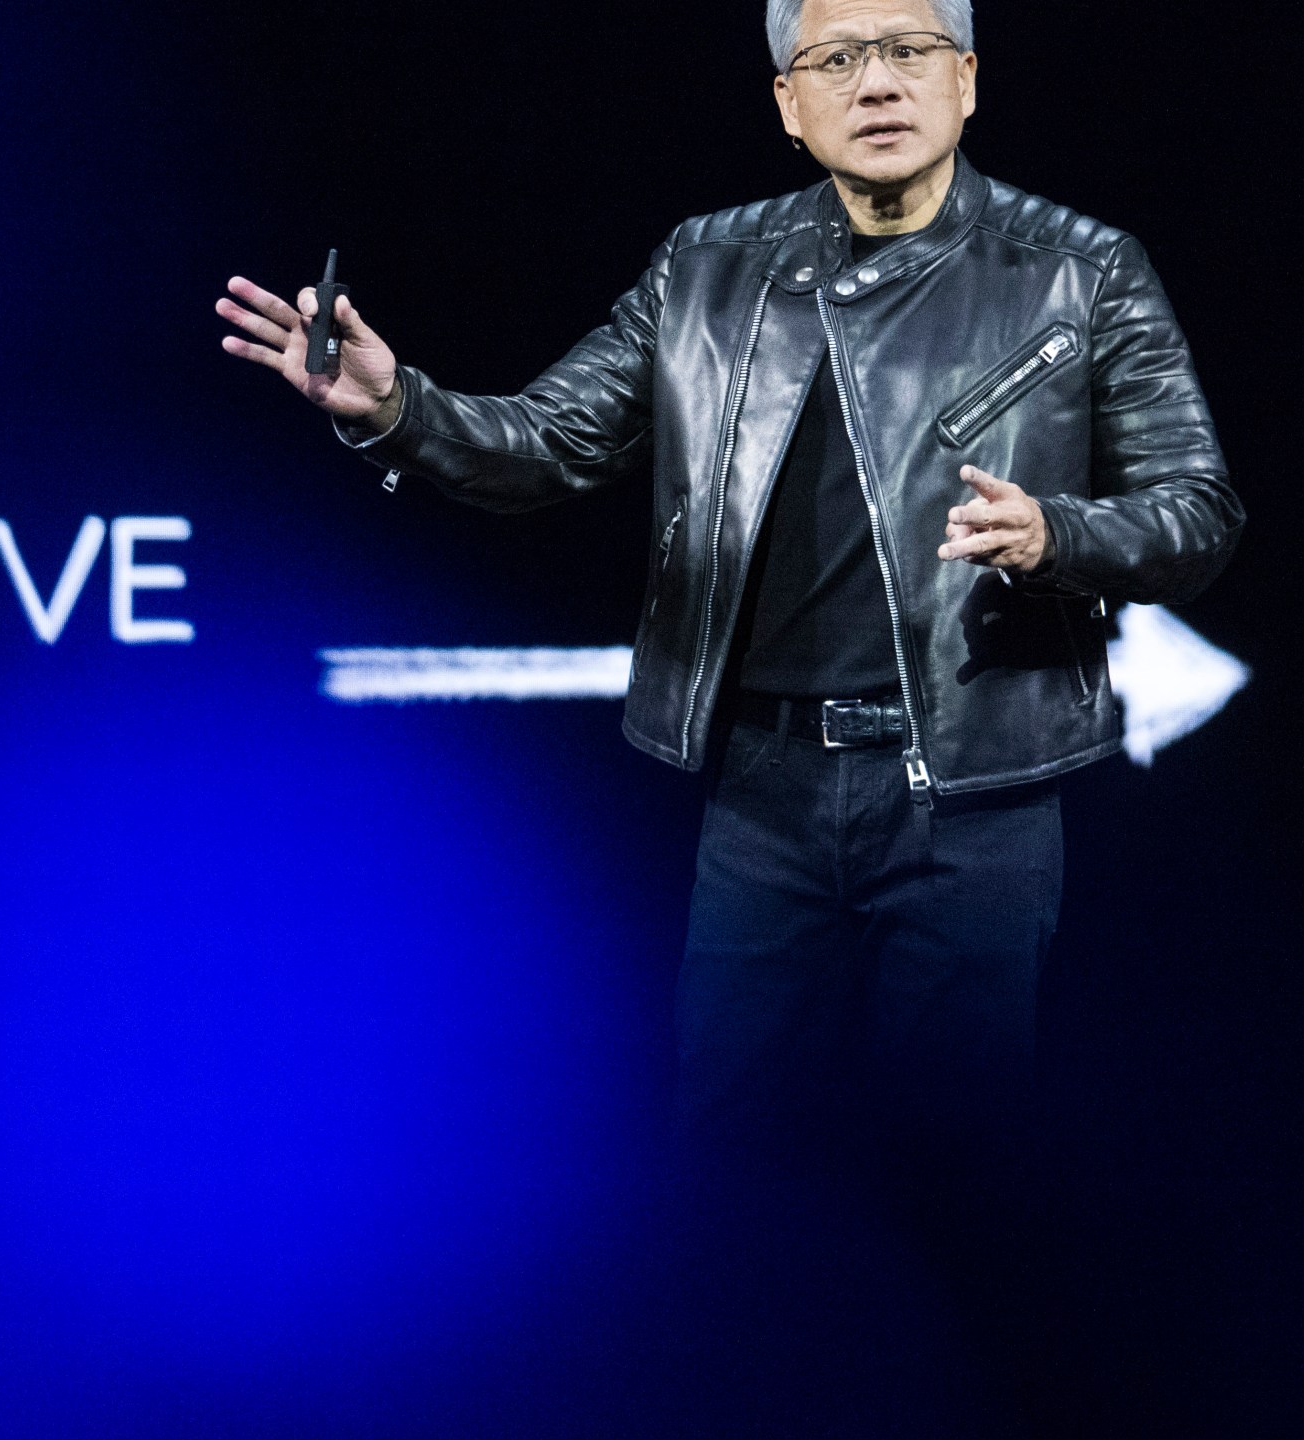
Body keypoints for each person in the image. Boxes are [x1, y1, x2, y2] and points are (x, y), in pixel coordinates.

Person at [216, 0, 1239, 1247]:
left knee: (968, 1176)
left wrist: (1057, 536)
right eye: (836, 58)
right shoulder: (705, 266)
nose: (877, 83)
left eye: (910, 51)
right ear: (786, 106)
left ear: (967, 81)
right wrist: (395, 409)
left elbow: (1196, 511)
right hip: (762, 795)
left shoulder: (1081, 267)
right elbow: (545, 444)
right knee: (726, 1175)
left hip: (973, 792)